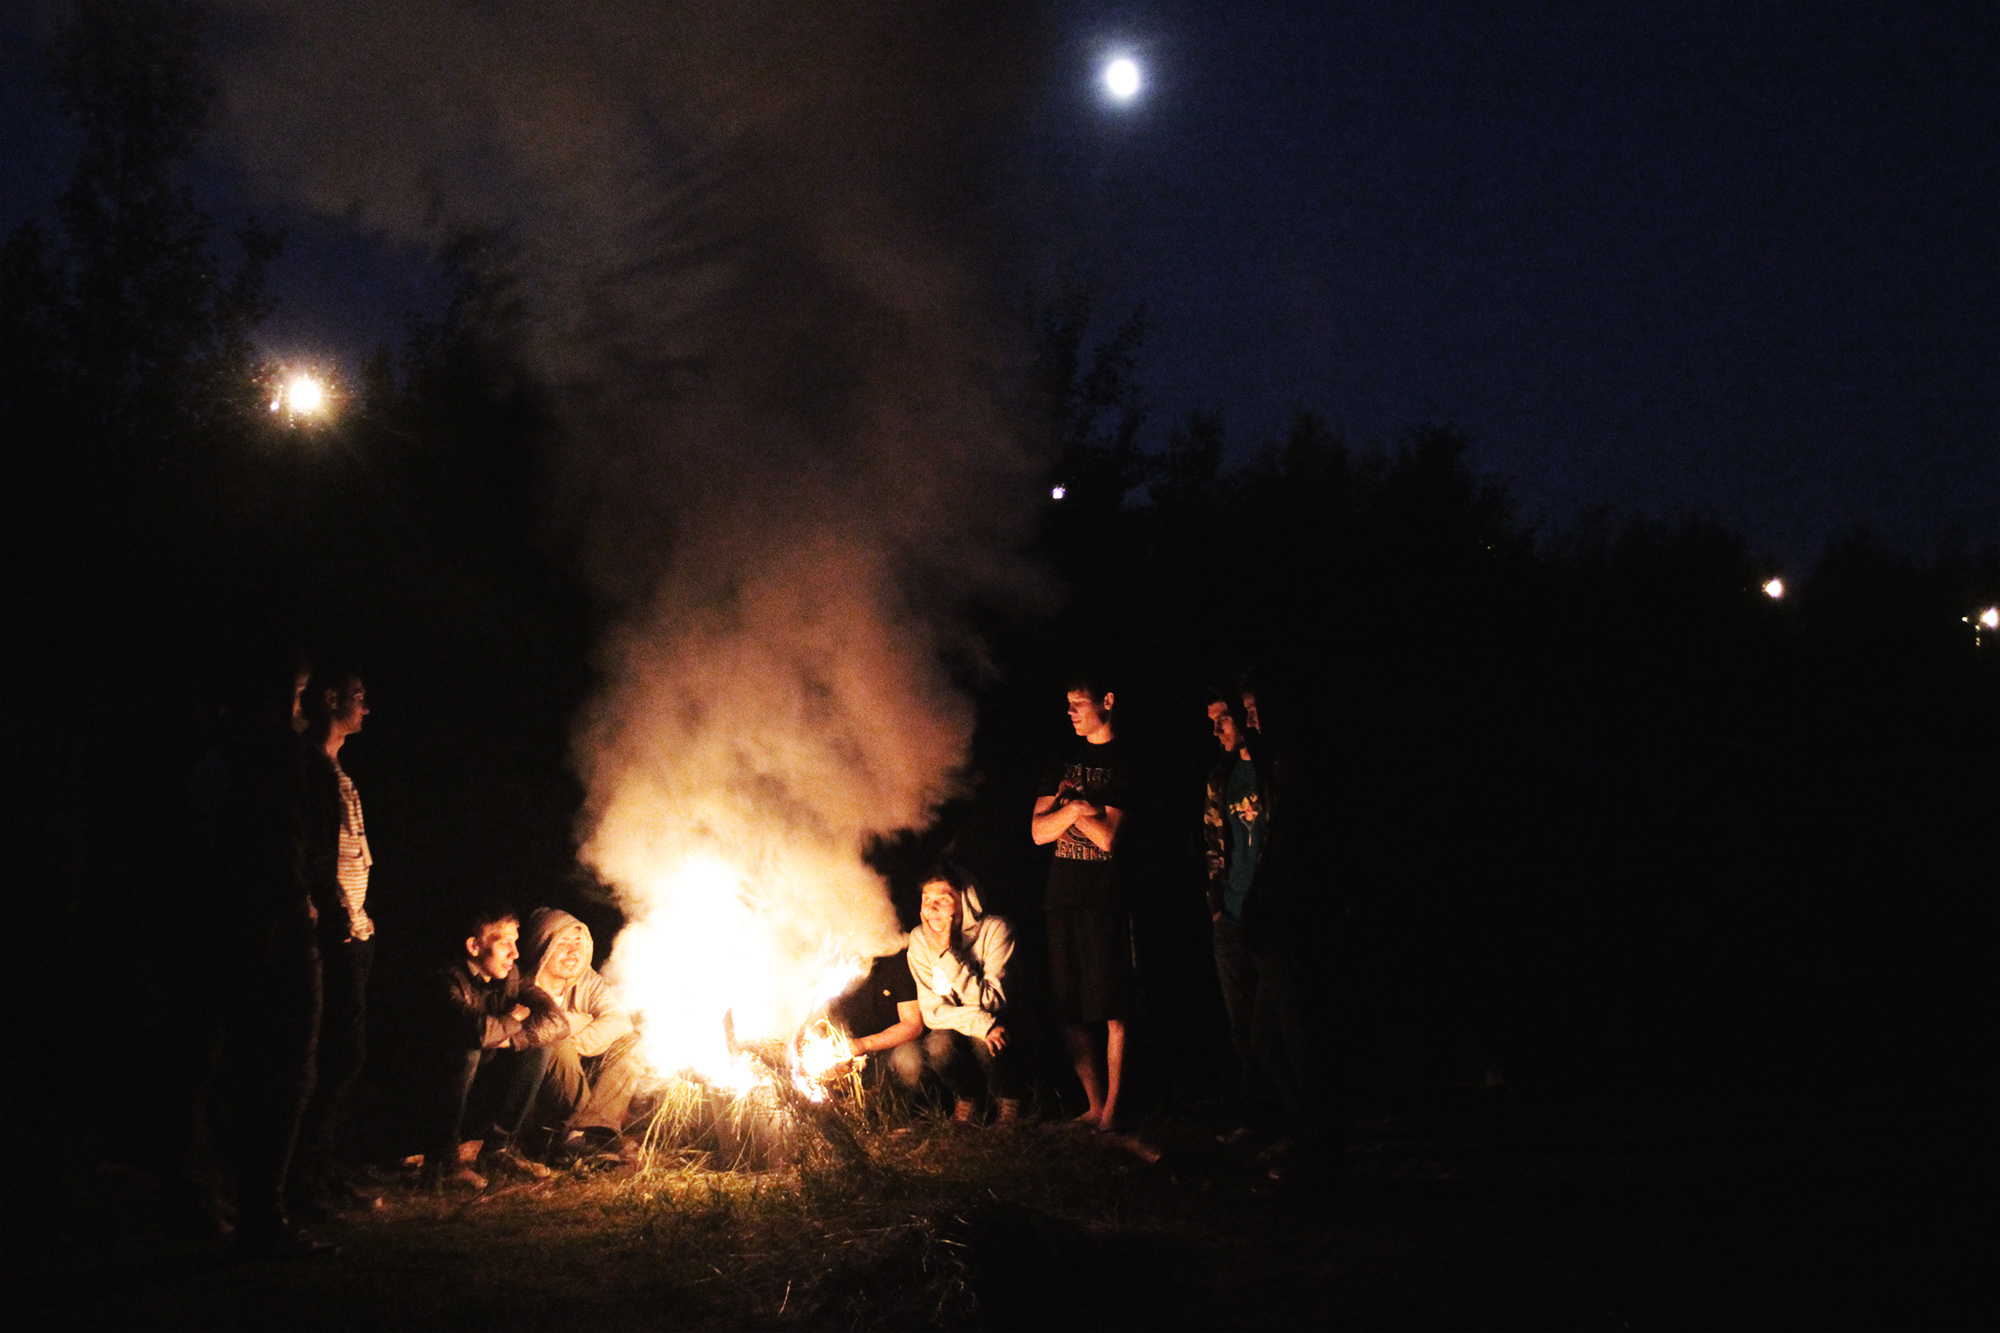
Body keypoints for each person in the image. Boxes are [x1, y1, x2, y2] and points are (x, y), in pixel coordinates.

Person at [1203, 672, 1331, 1178]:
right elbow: (1215, 845)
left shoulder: (1283, 771)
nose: (1225, 728)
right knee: (1256, 1040)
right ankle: (1284, 1129)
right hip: (1243, 920)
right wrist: (1218, 905)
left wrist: (1277, 906)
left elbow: (1291, 849)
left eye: (1243, 715)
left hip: (1279, 921)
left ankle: (1313, 1141)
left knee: (1290, 1037)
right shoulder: (1225, 776)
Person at [1031, 674, 1135, 1130]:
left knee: (1112, 1007)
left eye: (1079, 703)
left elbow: (1108, 837)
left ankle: (1112, 1113)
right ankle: (1092, 1105)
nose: (1070, 712)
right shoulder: (1062, 759)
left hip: (1104, 898)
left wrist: (1068, 810)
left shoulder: (1124, 761)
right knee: (1067, 1008)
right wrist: (1077, 809)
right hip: (1062, 895)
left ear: (1106, 701)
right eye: (1068, 703)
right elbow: (1038, 832)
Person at [293, 668, 375, 1200]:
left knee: (346, 1052)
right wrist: (336, 912)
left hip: (352, 925)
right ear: (330, 700)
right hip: (331, 928)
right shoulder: (308, 766)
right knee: (332, 1053)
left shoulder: (336, 768)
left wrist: (360, 913)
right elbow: (313, 853)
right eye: (358, 697)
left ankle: (320, 1166)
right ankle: (305, 1174)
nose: (366, 708)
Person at [424, 906, 566, 1189]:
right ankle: (442, 1161)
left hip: (480, 1085)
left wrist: (511, 1038)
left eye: (515, 942)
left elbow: (557, 1022)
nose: (515, 953)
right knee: (467, 1050)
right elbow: (476, 1032)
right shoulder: (447, 978)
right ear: (474, 946)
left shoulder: (511, 977)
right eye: (504, 943)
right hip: (425, 1093)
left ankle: (496, 1149)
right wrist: (512, 1020)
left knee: (539, 1046)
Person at [518, 907, 647, 1161]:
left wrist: (573, 1040)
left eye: (579, 943)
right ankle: (571, 1136)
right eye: (563, 943)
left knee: (631, 1044)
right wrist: (575, 1027)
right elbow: (539, 1032)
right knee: (555, 1041)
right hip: (539, 1092)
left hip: (577, 1072)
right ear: (542, 946)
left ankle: (595, 1130)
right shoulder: (522, 985)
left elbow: (620, 1021)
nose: (574, 952)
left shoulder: (586, 980)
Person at [905, 867, 1022, 1126]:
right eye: (927, 900)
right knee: (938, 1045)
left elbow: (994, 1001)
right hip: (964, 1024)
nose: (932, 909)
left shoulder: (996, 930)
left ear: (965, 902)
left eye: (943, 900)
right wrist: (979, 1023)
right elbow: (933, 1011)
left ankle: (1008, 1100)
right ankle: (969, 1099)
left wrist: (947, 955)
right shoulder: (919, 939)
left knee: (987, 1039)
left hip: (1001, 1021)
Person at [830, 949, 925, 1091]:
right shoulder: (834, 967)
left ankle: (919, 1097)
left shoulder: (894, 963)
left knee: (908, 1058)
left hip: (895, 1044)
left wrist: (863, 1044)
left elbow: (912, 1025)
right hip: (858, 1050)